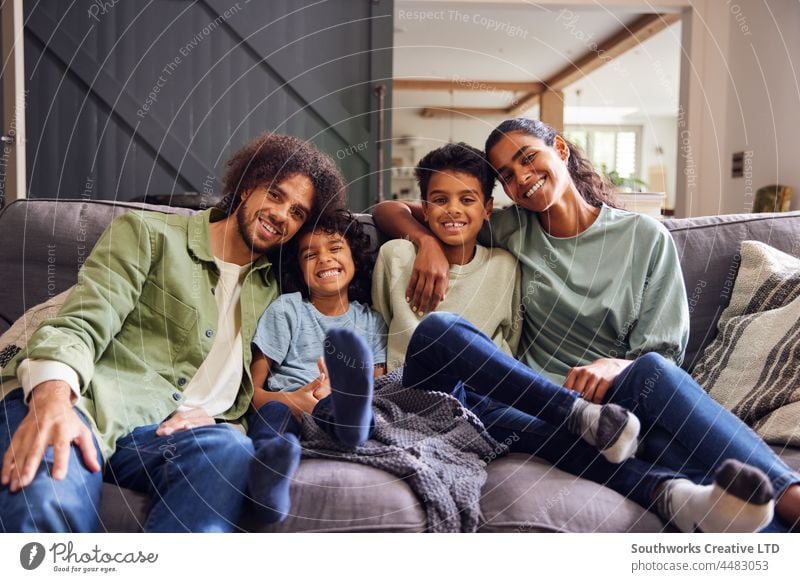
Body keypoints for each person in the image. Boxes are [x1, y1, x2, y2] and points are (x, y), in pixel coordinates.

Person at [374, 118, 800, 532]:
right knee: (479, 395)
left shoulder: (644, 237)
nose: (521, 178)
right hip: (536, 403)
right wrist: (425, 241)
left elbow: (665, 351)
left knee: (650, 374)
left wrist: (615, 365)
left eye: (528, 159)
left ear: (559, 149)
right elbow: (388, 209)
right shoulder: (510, 229)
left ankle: (788, 494)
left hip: (621, 400)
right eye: (506, 175)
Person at [0, 133, 345, 532]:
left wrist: (223, 420)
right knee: (46, 503)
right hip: (88, 408)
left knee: (231, 449)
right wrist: (52, 402)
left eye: (298, 212)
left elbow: (249, 393)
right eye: (275, 194)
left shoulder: (272, 291)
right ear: (249, 185)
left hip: (163, 436)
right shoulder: (149, 235)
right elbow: (80, 324)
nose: (282, 214)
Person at [373, 142, 641, 465]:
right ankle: (571, 408)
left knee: (576, 444)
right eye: (441, 200)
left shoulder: (505, 265)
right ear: (425, 209)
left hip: (488, 405)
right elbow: (378, 327)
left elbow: (510, 343)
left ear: (487, 209)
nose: (454, 210)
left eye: (467, 200)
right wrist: (424, 241)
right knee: (438, 329)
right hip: (423, 394)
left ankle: (669, 491)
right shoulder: (396, 256)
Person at [246, 209, 388, 522]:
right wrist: (291, 400)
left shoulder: (371, 320)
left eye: (335, 248)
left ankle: (351, 423)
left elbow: (378, 387)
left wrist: (334, 391)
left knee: (352, 407)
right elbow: (252, 392)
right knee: (273, 419)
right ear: (298, 266)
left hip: (335, 403)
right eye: (310, 254)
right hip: (287, 402)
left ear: (355, 256)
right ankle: (271, 468)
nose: (324, 259)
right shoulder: (287, 310)